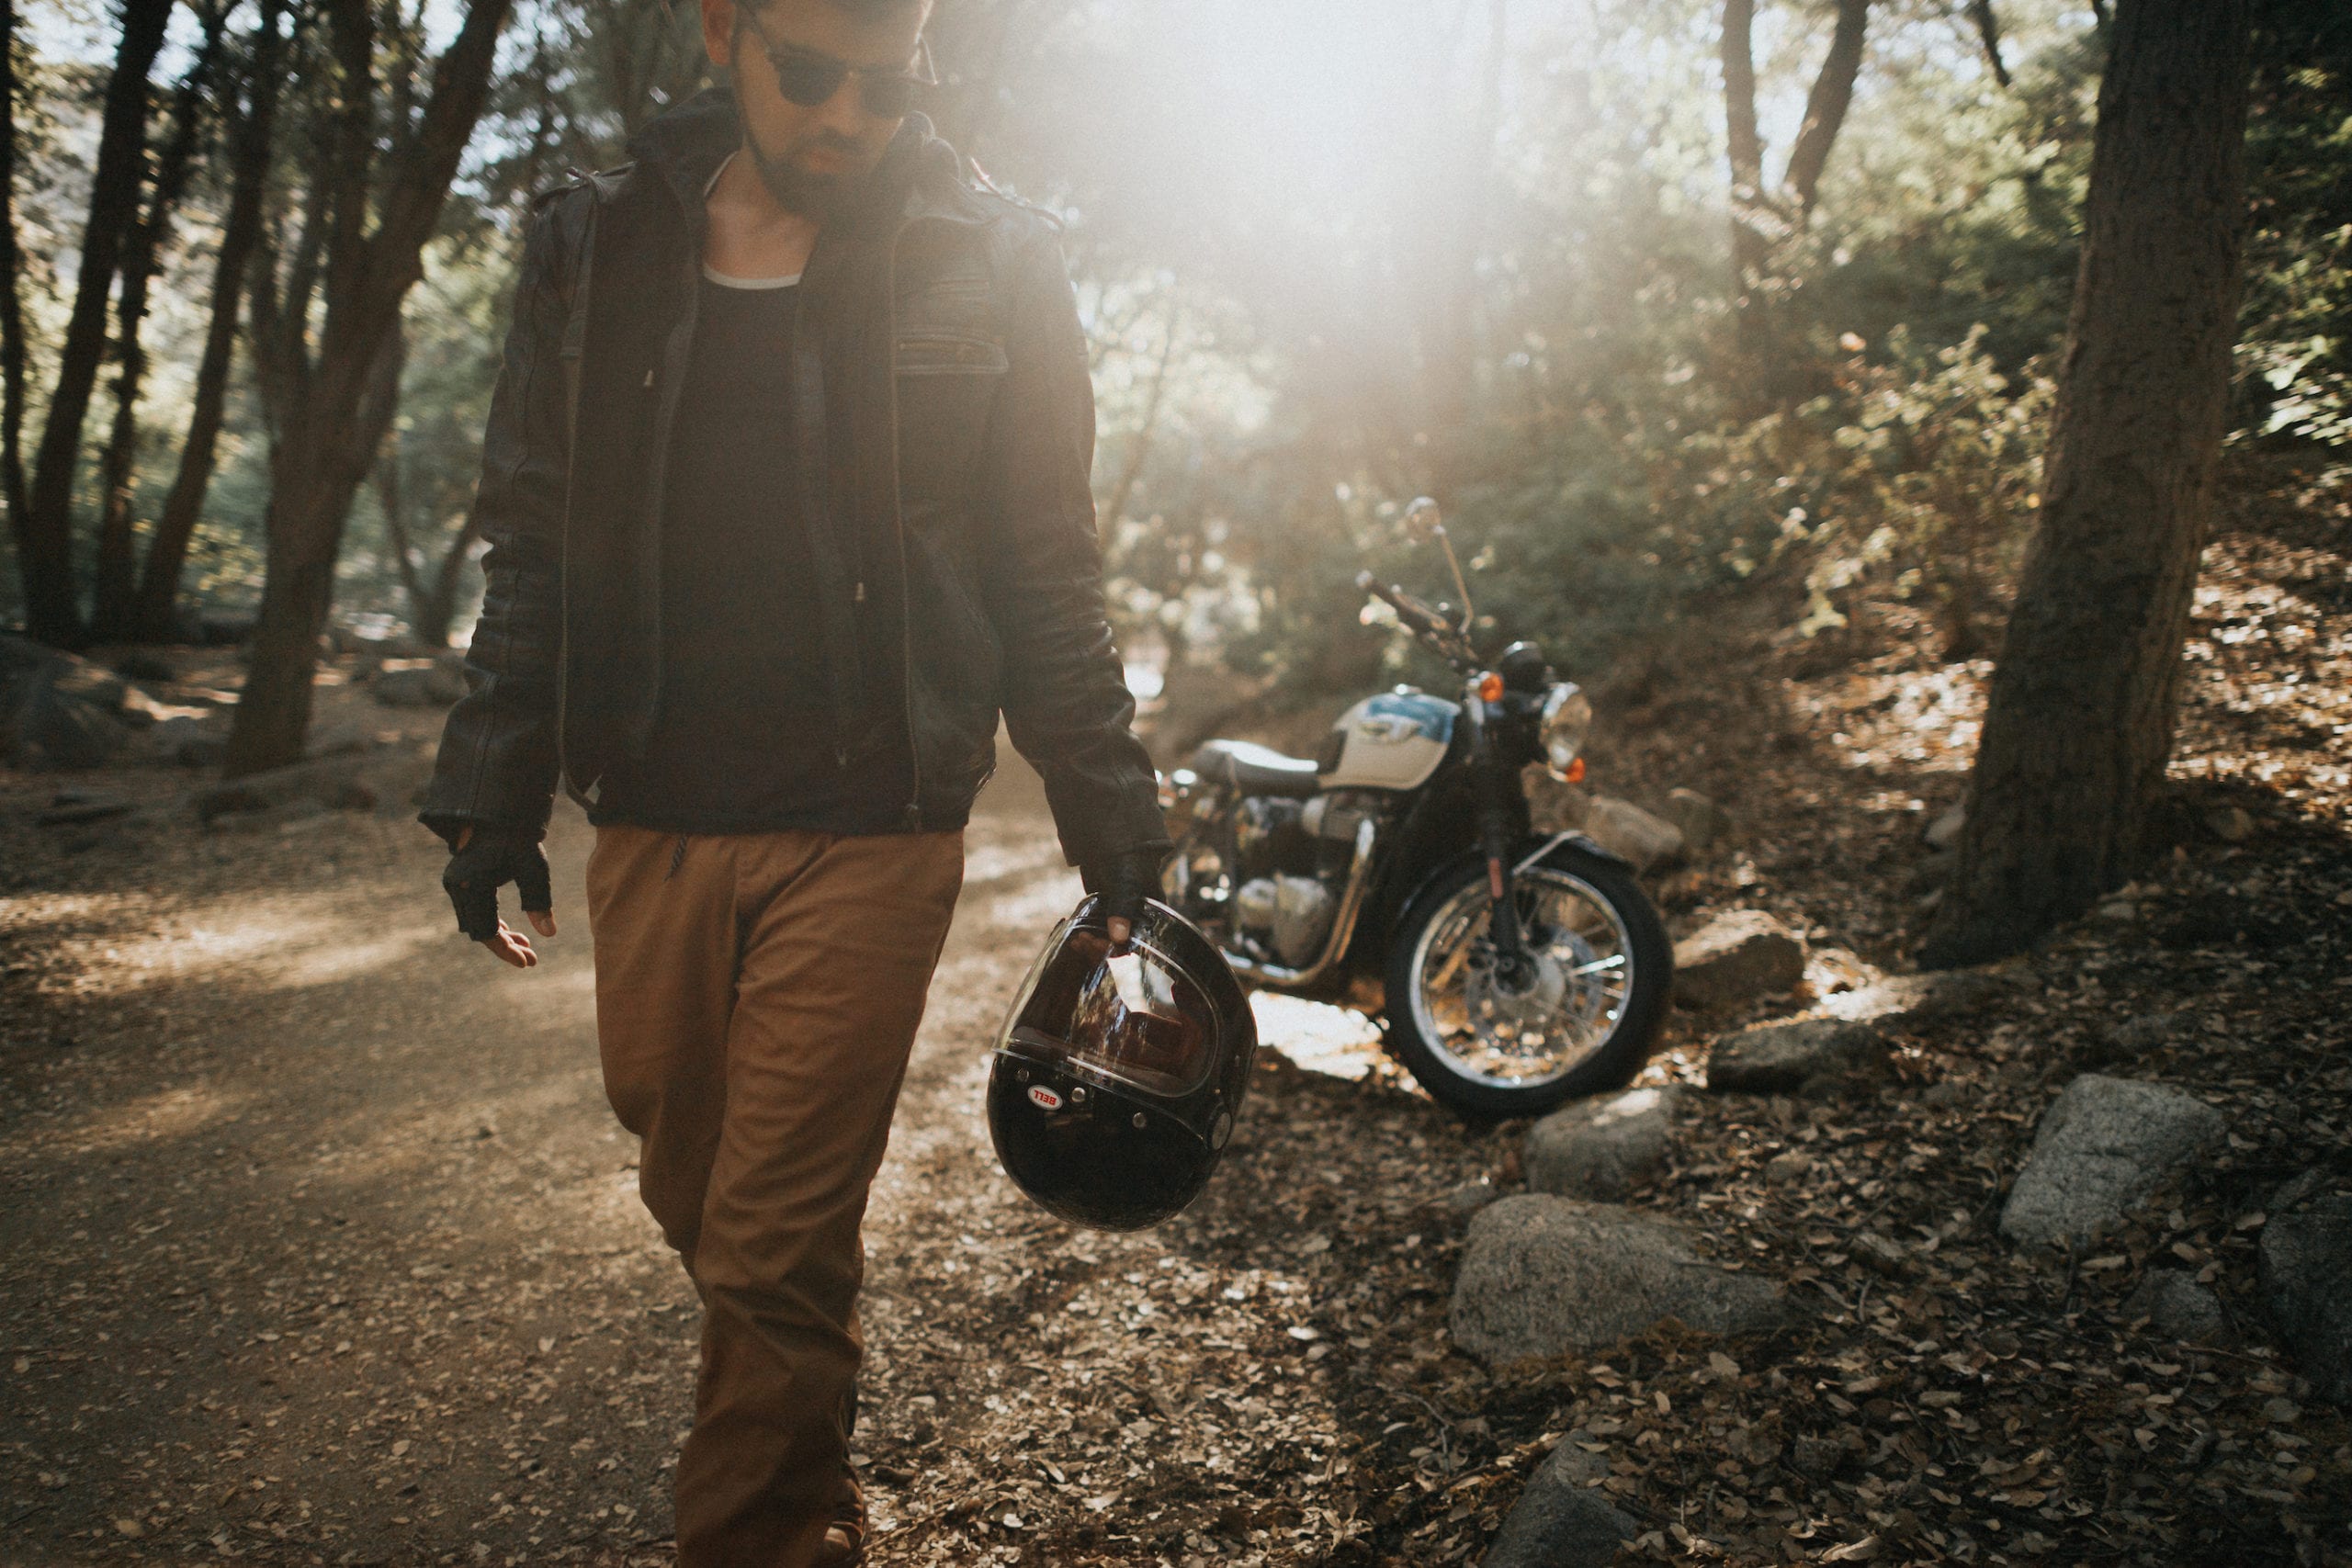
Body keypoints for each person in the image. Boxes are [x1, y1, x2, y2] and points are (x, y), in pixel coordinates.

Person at [417, 0, 1168, 1560]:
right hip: (656, 811)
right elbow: (534, 535)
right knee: (698, 1190)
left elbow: (1047, 567)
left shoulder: (997, 258)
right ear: (723, 37)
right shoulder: (594, 242)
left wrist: (1112, 808)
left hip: (873, 822)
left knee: (767, 1248)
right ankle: (808, 1455)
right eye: (810, 75)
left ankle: (770, 1533)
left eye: (886, 86)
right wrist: (491, 789)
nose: (847, 118)